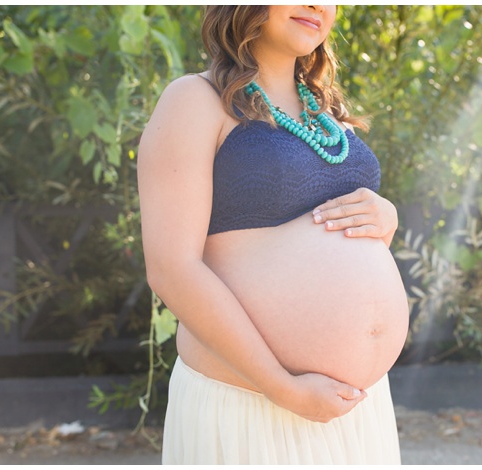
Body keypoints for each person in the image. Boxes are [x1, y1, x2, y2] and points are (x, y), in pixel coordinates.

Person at [137, 5, 409, 465]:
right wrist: (284, 388)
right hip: (253, 403)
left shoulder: (326, 114)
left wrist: (385, 217)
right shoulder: (195, 100)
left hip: (355, 409)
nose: (317, 5)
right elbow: (171, 268)